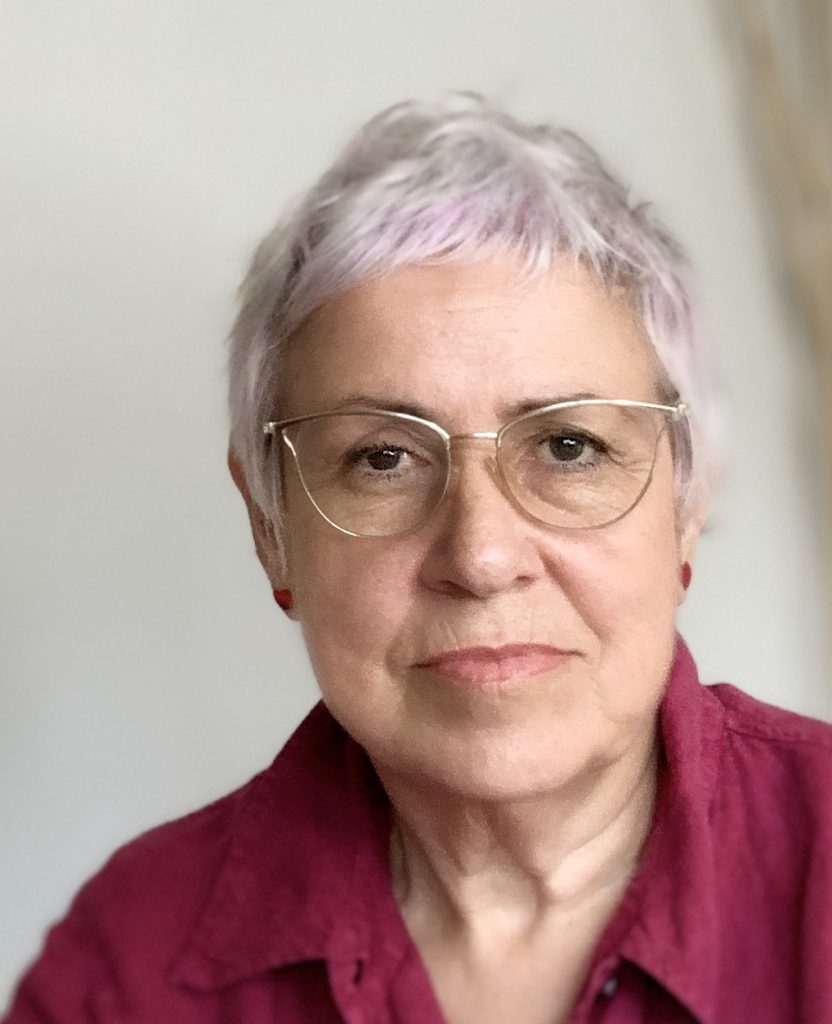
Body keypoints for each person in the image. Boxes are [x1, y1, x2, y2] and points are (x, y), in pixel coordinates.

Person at [4, 94, 832, 1024]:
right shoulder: (125, 975)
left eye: (567, 447)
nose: (481, 556)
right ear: (271, 526)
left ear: (684, 501)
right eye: (383, 459)